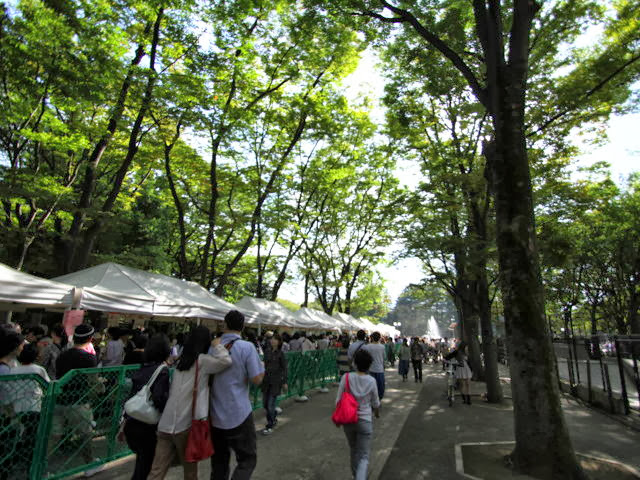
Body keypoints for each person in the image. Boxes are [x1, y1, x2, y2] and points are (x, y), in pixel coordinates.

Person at [148, 326, 232, 480]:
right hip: (186, 425)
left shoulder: (180, 361)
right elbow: (226, 361)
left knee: (156, 471)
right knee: (190, 473)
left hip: (166, 424)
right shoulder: (203, 361)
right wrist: (217, 345)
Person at [209, 310, 265, 480]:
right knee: (247, 459)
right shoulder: (246, 347)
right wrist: (263, 370)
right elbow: (256, 379)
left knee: (219, 462)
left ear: (224, 325)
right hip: (239, 412)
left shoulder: (212, 347)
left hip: (214, 413)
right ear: (243, 326)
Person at [54, 324, 103, 477]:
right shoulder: (89, 358)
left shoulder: (62, 355)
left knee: (53, 436)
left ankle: (40, 468)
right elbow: (92, 382)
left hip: (59, 400)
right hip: (79, 401)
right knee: (85, 435)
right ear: (90, 338)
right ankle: (90, 464)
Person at [123, 335, 171, 480]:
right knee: (145, 467)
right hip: (147, 426)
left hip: (132, 423)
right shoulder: (162, 370)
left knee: (141, 464)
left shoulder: (143, 367)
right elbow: (158, 398)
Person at [336, 349, 380, 480]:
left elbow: (338, 400)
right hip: (365, 420)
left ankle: (355, 475)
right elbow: (376, 403)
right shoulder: (371, 381)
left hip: (348, 420)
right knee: (364, 455)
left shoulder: (346, 377)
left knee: (353, 449)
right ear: (369, 365)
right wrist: (376, 413)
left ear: (354, 363)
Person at [11, 343, 51, 475]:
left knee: (23, 433)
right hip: (34, 406)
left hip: (17, 406)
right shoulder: (38, 370)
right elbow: (48, 385)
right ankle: (32, 465)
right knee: (33, 436)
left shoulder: (14, 370)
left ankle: (17, 459)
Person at [261, 333, 288, 435]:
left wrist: (284, 382)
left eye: (275, 339)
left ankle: (270, 424)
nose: (273, 341)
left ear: (279, 342)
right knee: (265, 404)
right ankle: (274, 416)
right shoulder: (267, 352)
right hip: (266, 381)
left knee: (270, 405)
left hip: (276, 382)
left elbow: (284, 369)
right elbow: (264, 364)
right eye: (272, 339)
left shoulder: (281, 354)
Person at [363, 332, 386, 400]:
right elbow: (384, 357)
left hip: (370, 369)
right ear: (379, 338)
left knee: (370, 386)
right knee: (380, 386)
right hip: (380, 369)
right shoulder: (382, 347)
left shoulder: (367, 346)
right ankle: (378, 399)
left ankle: (372, 399)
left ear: (372, 338)